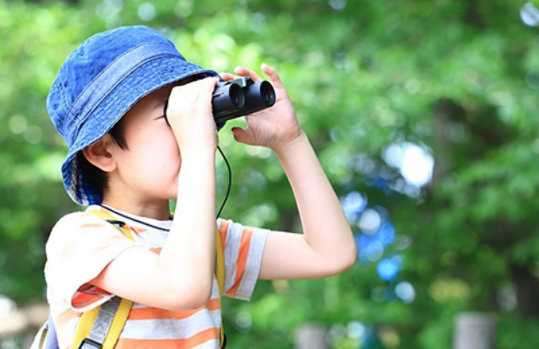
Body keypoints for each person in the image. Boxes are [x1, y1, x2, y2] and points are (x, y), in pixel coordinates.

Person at [44, 25, 356, 348]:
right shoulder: (79, 238)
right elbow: (182, 286)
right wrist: (195, 148)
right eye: (170, 116)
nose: (193, 129)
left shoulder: (210, 242)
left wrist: (290, 141)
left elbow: (331, 253)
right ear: (102, 150)